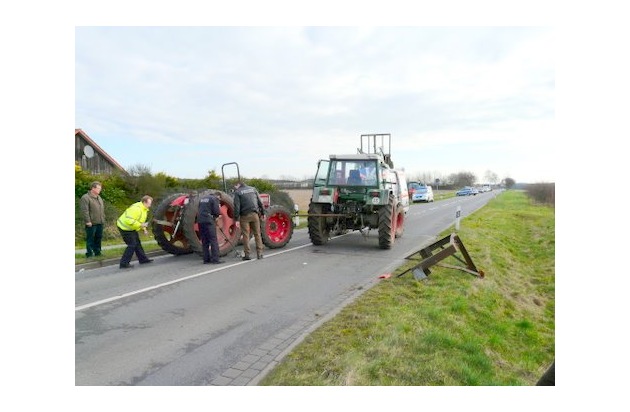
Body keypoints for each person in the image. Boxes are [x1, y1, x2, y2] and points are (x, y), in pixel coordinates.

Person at [116, 195, 154, 269]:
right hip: (124, 228)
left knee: (137, 243)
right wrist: (140, 225)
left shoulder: (144, 210)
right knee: (132, 245)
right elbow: (128, 220)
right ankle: (124, 263)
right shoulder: (136, 209)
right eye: (149, 203)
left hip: (131, 228)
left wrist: (144, 229)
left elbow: (141, 221)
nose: (150, 205)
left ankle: (143, 259)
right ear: (144, 202)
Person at [233, 181, 265, 260]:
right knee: (257, 234)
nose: (235, 188)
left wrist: (236, 219)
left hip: (244, 216)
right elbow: (260, 202)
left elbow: (237, 206)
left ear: (238, 185)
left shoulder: (238, 192)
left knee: (246, 235)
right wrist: (263, 213)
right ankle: (260, 254)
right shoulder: (253, 189)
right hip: (255, 215)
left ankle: (247, 255)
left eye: (235, 186)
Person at [80, 181, 106, 258]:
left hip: (100, 221)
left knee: (98, 237)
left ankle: (97, 252)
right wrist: (88, 221)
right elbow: (85, 211)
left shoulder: (99, 197)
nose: (100, 190)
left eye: (100, 188)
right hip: (91, 222)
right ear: (93, 188)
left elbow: (101, 209)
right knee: (90, 238)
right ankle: (89, 253)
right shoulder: (85, 197)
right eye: (98, 188)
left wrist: (103, 218)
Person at [198, 191, 224, 264]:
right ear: (218, 196)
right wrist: (217, 216)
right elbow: (216, 211)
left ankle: (206, 259)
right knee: (213, 240)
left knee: (204, 240)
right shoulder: (214, 199)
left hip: (200, 221)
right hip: (208, 221)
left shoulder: (202, 199)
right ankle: (215, 259)